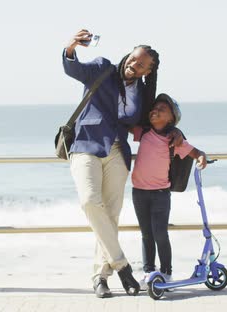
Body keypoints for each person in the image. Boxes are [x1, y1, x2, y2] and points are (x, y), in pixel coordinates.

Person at [63, 29, 179, 298]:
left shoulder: (142, 93)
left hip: (117, 151)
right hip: (87, 145)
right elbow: (74, 68)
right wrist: (70, 47)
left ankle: (101, 277)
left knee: (111, 214)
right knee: (90, 202)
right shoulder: (103, 68)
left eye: (140, 65)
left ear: (148, 70)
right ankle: (123, 266)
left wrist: (177, 133)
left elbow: (155, 125)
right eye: (132, 59)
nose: (133, 65)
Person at [129, 93, 207, 290]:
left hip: (161, 194)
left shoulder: (174, 140)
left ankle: (166, 272)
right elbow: (125, 124)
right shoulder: (143, 132)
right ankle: (148, 271)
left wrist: (201, 157)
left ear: (171, 118)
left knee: (160, 234)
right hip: (138, 192)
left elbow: (195, 152)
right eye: (154, 108)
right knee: (146, 234)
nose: (155, 111)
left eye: (161, 109)